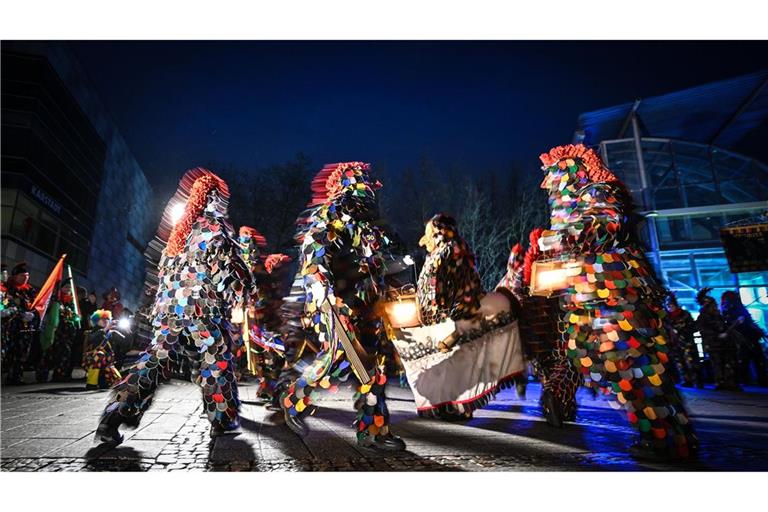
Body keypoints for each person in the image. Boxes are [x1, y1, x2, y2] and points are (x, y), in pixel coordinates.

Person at [536, 144, 697, 460]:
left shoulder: (596, 193)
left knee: (632, 363)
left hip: (618, 297)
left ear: (572, 171)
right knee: (594, 357)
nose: (549, 184)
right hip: (589, 298)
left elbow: (607, 222)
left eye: (555, 175)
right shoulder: (570, 207)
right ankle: (659, 434)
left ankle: (669, 440)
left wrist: (562, 237)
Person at [95, 168, 254, 445]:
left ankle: (114, 415)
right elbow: (232, 274)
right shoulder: (215, 231)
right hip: (204, 310)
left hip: (170, 312)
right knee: (215, 360)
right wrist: (246, 288)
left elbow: (162, 277)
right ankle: (222, 419)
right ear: (216, 200)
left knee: (156, 360)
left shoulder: (176, 238)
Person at [280, 161, 406, 452]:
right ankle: (294, 397)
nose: (369, 190)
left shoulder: (371, 228)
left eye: (370, 184)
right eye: (362, 183)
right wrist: (324, 292)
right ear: (347, 187)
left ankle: (373, 431)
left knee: (374, 370)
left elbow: (383, 263)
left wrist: (397, 281)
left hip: (368, 309)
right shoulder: (329, 216)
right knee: (338, 360)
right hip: (335, 305)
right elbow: (314, 256)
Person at [499, 228, 582, 427]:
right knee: (567, 363)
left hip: (535, 333)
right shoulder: (550, 265)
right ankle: (554, 397)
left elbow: (509, 292)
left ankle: (561, 405)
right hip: (555, 326)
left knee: (549, 366)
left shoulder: (527, 268)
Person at [417, 213, 484, 328]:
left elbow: (434, 282)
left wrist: (436, 317)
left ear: (436, 234)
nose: (427, 243)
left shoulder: (445, 251)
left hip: (454, 313)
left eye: (430, 237)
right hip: (466, 304)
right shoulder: (457, 244)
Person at [1, 262, 40, 385]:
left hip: (27, 327)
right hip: (12, 325)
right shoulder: (8, 288)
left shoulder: (30, 290)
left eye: (27, 275)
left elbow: (37, 306)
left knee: (23, 351)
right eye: (22, 275)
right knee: (9, 351)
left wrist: (33, 314)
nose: (25, 278)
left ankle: (16, 376)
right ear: (15, 276)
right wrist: (20, 314)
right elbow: (8, 305)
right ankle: (6, 375)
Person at [696, 288, 740, 391]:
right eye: (712, 305)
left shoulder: (718, 315)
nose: (715, 307)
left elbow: (723, 326)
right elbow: (704, 331)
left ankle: (730, 382)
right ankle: (721, 382)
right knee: (718, 364)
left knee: (729, 362)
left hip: (725, 344)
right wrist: (717, 336)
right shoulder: (702, 317)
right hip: (713, 345)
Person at [720, 290, 766, 386]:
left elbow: (744, 321)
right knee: (749, 359)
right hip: (743, 338)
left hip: (748, 337)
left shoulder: (736, 309)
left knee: (753, 359)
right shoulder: (729, 310)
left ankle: (756, 379)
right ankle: (749, 379)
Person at [38, 281, 81, 382]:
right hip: (55, 331)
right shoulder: (55, 299)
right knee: (49, 353)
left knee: (64, 354)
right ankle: (42, 375)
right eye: (66, 287)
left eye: (69, 288)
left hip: (67, 333)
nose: (68, 290)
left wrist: (76, 317)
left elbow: (75, 316)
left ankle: (59, 375)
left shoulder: (72, 303)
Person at [664, 293, 703, 388]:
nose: (670, 307)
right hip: (675, 345)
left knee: (691, 362)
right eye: (668, 306)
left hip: (687, 343)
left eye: (671, 305)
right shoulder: (666, 318)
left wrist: (681, 330)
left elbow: (692, 327)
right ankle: (686, 380)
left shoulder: (685, 314)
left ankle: (697, 381)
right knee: (680, 363)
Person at [82, 309, 122, 389]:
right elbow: (93, 339)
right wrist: (105, 329)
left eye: (107, 319)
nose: (105, 321)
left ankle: (102, 381)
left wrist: (125, 331)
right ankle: (91, 384)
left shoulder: (111, 333)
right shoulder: (92, 332)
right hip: (92, 360)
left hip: (107, 363)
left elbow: (123, 346)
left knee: (117, 381)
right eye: (102, 319)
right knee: (99, 354)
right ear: (96, 321)